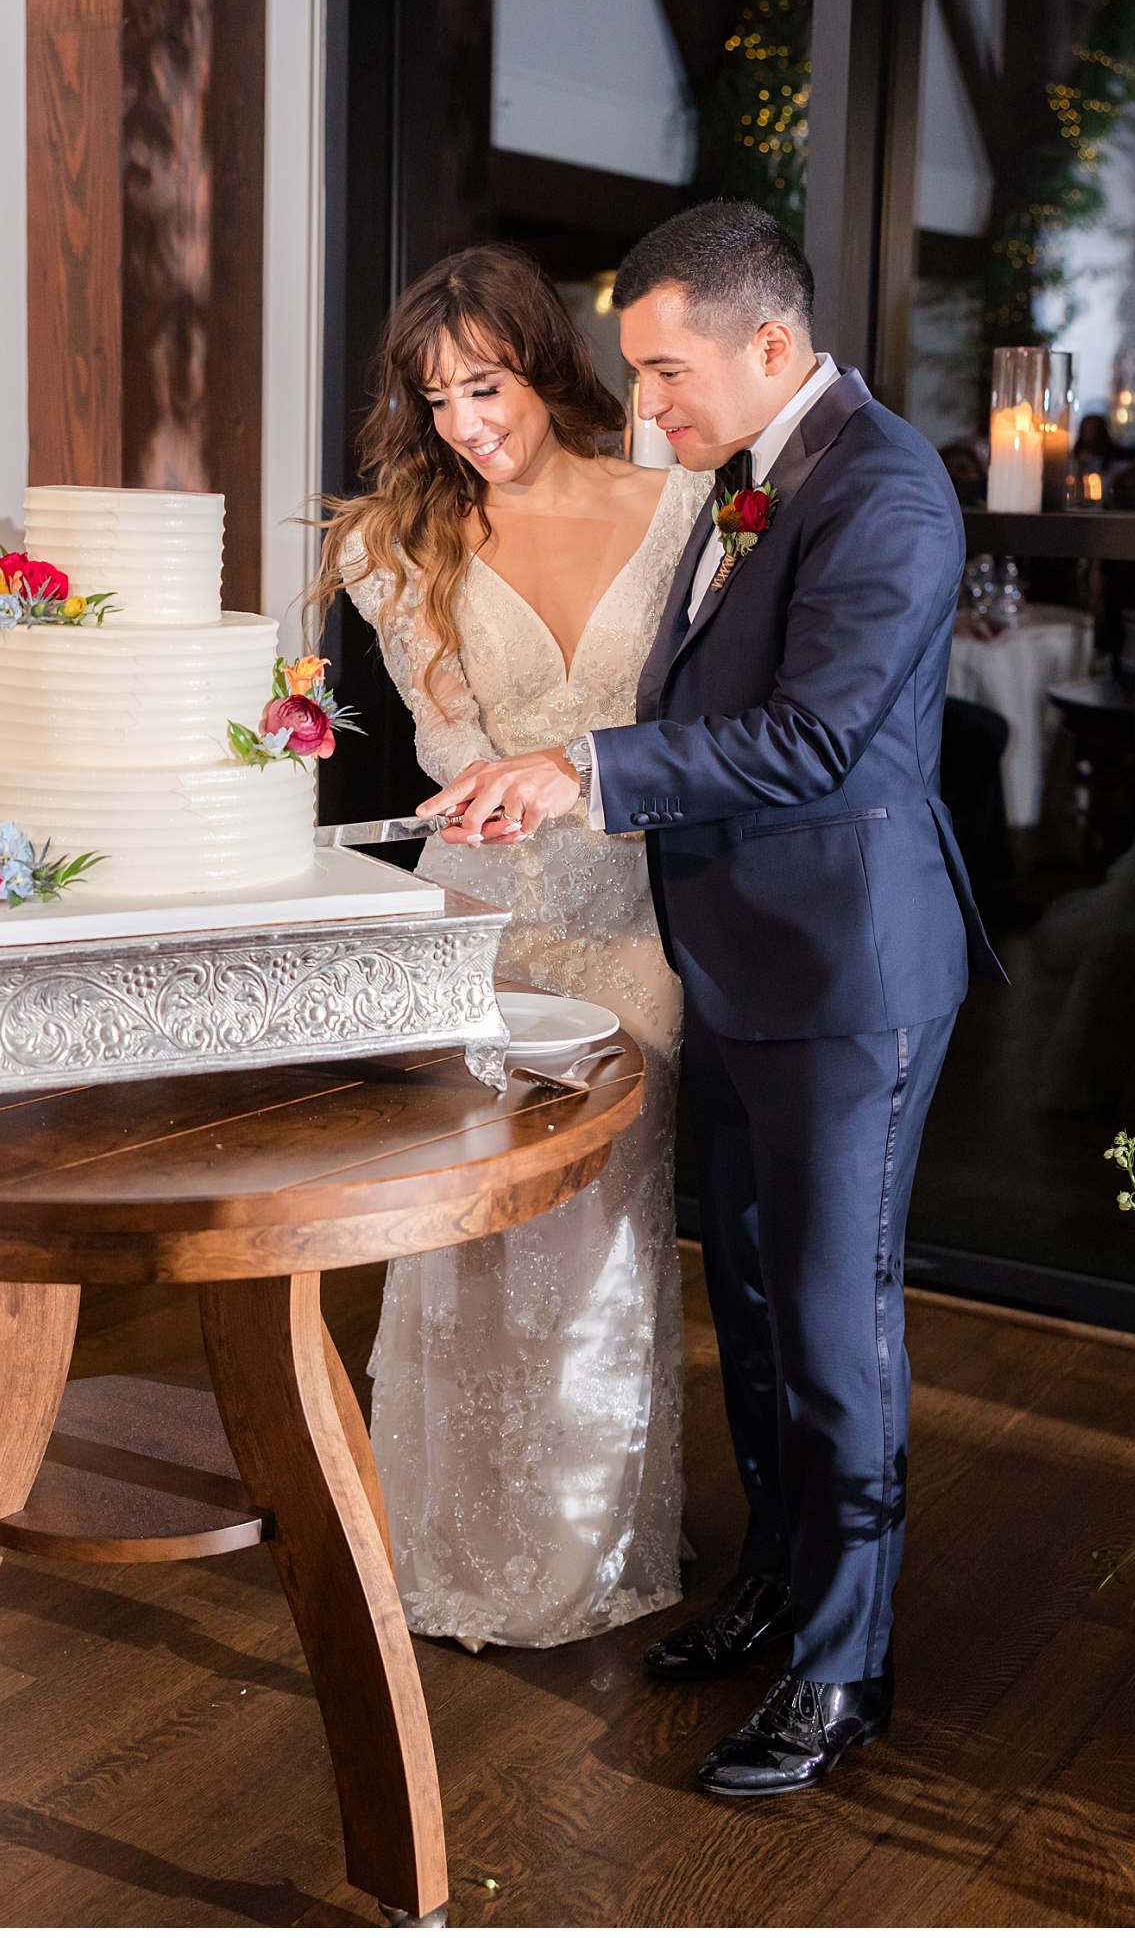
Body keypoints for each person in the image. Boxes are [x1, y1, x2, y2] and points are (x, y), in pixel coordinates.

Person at [423, 201, 1005, 1793]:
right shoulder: (744, 477)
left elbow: (814, 739)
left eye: (668, 374)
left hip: (844, 976)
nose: (652, 409)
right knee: (746, 1303)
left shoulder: (883, 487)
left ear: (769, 343)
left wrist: (580, 769)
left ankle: (846, 1669)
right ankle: (773, 1582)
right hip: (733, 960)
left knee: (834, 1327)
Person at [313, 243, 709, 1650]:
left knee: (596, 1244)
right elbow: (447, 752)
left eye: (487, 387)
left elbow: (703, 732)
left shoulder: (685, 512)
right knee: (455, 1244)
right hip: (477, 926)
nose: (469, 425)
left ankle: (578, 1552)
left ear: (543, 365)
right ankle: (439, 1542)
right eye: (438, 401)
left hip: (623, 926)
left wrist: (577, 769)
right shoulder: (392, 544)